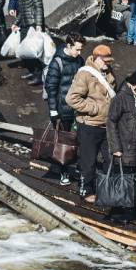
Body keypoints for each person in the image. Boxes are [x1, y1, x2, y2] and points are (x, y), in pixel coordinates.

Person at [65, 44, 116, 201]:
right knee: (88, 161)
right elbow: (71, 98)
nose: (108, 64)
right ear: (97, 58)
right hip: (89, 125)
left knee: (110, 159)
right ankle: (86, 191)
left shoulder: (109, 73)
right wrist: (93, 109)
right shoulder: (85, 74)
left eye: (109, 61)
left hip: (106, 125)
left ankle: (107, 188)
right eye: (105, 61)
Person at [106, 68, 136, 220]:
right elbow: (111, 122)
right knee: (121, 179)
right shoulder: (121, 98)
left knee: (131, 179)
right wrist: (115, 148)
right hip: (123, 148)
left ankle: (129, 210)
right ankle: (118, 211)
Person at [44, 32, 86, 185]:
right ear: (69, 46)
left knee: (78, 142)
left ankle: (75, 169)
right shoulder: (57, 63)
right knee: (64, 143)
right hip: (62, 111)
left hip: (77, 109)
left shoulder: (79, 60)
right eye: (77, 49)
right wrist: (53, 111)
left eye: (81, 49)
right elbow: (51, 88)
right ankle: (63, 172)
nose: (80, 53)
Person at [11, 0, 45, 85]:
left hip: (33, 25)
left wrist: (39, 25)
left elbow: (38, 7)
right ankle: (32, 71)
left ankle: (39, 76)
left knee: (33, 51)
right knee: (25, 51)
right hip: (25, 24)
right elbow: (22, 10)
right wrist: (16, 23)